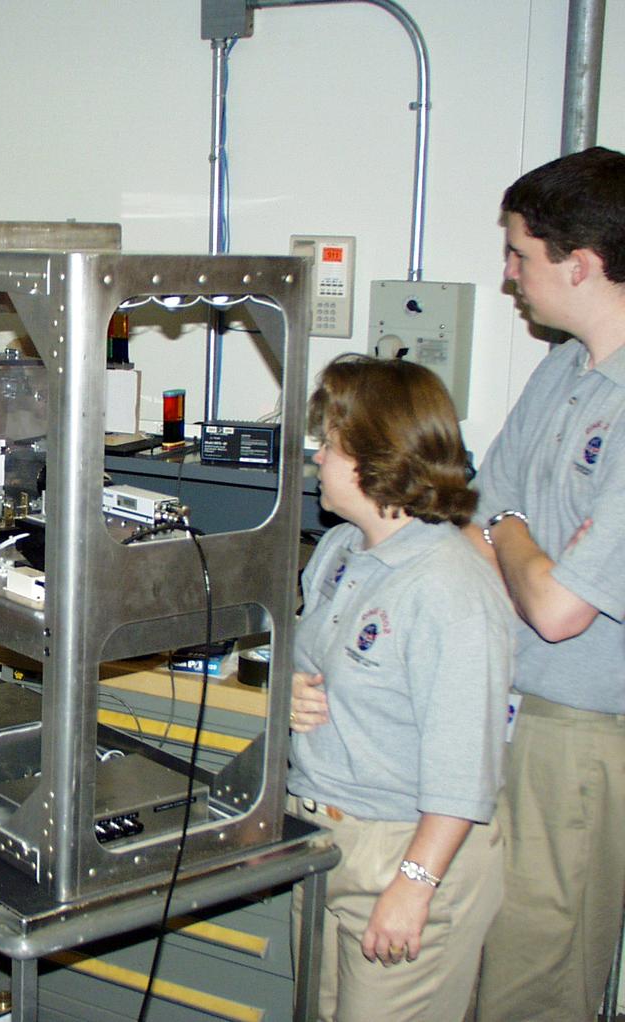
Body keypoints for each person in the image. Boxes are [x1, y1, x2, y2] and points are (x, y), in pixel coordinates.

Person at [288, 355, 513, 1022]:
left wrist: (414, 885)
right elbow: (320, 663)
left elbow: (465, 766)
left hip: (407, 850)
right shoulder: (341, 550)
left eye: (330, 445)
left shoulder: (449, 587)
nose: (318, 458)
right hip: (323, 837)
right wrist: (290, 695)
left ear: (374, 458)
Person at [471, 146, 625, 1022]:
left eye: (520, 253)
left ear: (582, 263)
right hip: (507, 705)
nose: (508, 274)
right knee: (483, 955)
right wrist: (513, 533)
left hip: (581, 734)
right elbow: (478, 519)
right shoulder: (563, 369)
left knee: (539, 977)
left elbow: (562, 610)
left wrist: (509, 529)